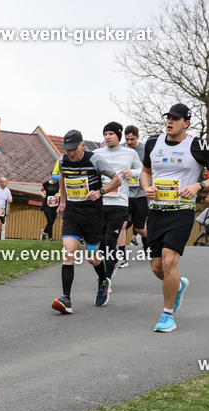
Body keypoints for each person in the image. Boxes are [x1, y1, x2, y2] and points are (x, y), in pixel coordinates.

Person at [141, 103, 209, 333]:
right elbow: (145, 171)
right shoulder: (153, 142)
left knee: (169, 261)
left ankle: (167, 315)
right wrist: (146, 187)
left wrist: (199, 185)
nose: (170, 122)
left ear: (186, 123)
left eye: (175, 119)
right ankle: (177, 286)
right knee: (157, 267)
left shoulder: (198, 145)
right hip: (157, 211)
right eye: (168, 118)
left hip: (182, 211)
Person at [51, 129, 120, 314]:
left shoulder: (95, 159)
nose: (71, 153)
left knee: (92, 257)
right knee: (69, 251)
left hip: (92, 214)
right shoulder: (63, 161)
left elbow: (117, 180)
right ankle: (66, 299)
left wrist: (100, 192)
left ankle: (104, 281)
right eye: (67, 150)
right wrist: (63, 202)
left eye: (74, 149)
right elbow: (63, 178)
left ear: (83, 145)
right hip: (73, 212)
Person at [92, 122, 142, 281]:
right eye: (105, 134)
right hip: (99, 202)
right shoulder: (96, 153)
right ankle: (110, 264)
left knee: (110, 240)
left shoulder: (129, 153)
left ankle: (106, 280)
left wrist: (132, 172)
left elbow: (143, 171)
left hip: (119, 203)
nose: (107, 137)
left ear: (118, 135)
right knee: (100, 242)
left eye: (111, 134)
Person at [124, 125, 150, 257]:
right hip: (124, 193)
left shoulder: (145, 149)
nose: (129, 143)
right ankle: (120, 254)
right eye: (127, 139)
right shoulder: (122, 149)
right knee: (122, 224)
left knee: (139, 227)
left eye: (132, 140)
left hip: (140, 193)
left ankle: (146, 240)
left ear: (137, 137)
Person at [40, 173, 60, 240]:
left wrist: (59, 193)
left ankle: (44, 232)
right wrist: (42, 194)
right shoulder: (46, 183)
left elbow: (63, 191)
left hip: (55, 204)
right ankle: (51, 238)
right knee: (50, 220)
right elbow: (40, 190)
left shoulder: (60, 184)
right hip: (47, 204)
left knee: (52, 221)